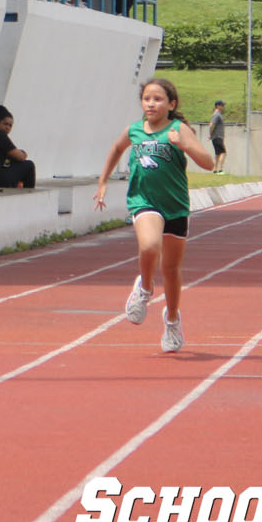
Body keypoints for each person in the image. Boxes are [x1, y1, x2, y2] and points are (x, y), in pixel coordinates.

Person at [94, 78, 214, 354]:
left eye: (158, 99)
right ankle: (145, 288)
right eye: (147, 98)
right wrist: (103, 181)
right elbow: (116, 149)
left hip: (175, 205)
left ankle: (172, 320)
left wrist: (183, 144)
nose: (151, 103)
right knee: (149, 246)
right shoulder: (134, 130)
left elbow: (207, 162)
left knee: (171, 270)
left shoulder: (178, 129)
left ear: (171, 105)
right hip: (143, 201)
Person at [209, 100, 227, 175]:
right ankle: (220, 169)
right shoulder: (217, 115)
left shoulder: (216, 114)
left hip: (216, 136)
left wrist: (211, 134)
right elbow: (211, 125)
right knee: (223, 152)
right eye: (222, 105)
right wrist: (210, 134)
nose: (224, 107)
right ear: (218, 106)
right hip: (217, 136)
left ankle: (215, 170)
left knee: (218, 153)